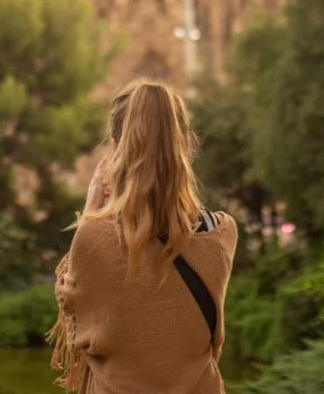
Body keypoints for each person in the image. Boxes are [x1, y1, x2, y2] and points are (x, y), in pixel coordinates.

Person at [49, 79, 238, 394]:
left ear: (116, 148)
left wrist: (92, 207)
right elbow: (204, 340)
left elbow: (74, 314)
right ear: (186, 145)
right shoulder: (221, 233)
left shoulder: (95, 237)